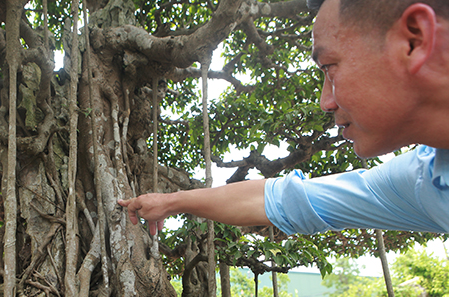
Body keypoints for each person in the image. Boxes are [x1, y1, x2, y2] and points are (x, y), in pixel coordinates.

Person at [119, 0, 449, 237]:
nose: (325, 102)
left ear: (414, 40)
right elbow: (282, 199)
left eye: (329, 68)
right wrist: (170, 202)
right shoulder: (427, 184)